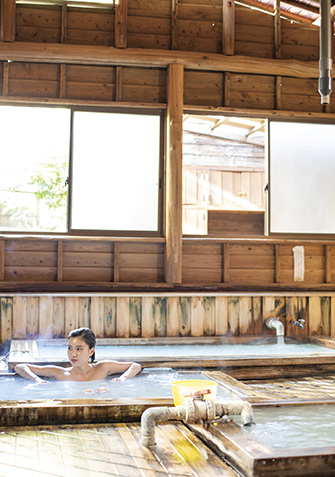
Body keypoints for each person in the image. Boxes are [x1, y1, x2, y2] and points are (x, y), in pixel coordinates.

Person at [14, 327, 142, 384]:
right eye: (69, 348)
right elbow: (20, 367)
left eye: (79, 349)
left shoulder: (102, 368)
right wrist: (38, 380)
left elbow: (135, 366)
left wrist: (123, 378)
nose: (73, 354)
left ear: (91, 351)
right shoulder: (61, 373)